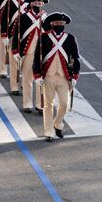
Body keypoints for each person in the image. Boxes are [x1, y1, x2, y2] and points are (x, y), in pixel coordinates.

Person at [33, 12, 80, 142]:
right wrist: (37, 75)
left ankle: (57, 124)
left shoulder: (70, 38)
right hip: (48, 76)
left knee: (64, 104)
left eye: (62, 23)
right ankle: (49, 132)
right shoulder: (43, 38)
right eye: (57, 23)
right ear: (52, 24)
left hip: (64, 77)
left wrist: (75, 76)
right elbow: (37, 58)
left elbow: (76, 59)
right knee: (48, 104)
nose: (59, 25)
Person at [12, 0, 48, 113]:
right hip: (28, 52)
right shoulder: (23, 17)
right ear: (31, 4)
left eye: (40, 3)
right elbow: (17, 36)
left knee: (41, 80)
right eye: (36, 2)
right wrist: (15, 51)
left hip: (42, 53)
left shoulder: (46, 19)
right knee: (27, 79)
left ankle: (40, 105)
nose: (38, 4)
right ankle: (27, 104)